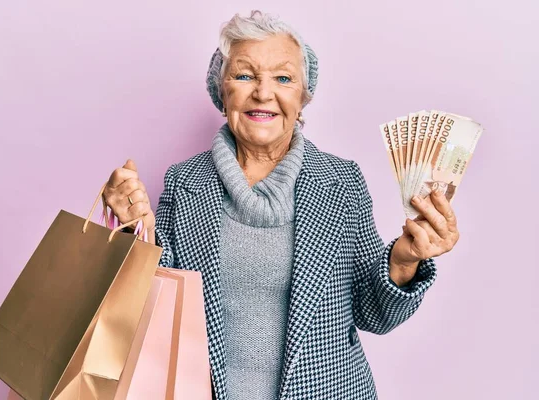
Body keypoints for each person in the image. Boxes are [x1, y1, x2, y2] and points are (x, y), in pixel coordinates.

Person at [103, 10, 460, 400]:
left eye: (283, 78)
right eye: (244, 75)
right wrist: (135, 228)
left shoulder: (342, 183)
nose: (262, 92)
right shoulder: (184, 182)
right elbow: (157, 308)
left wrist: (403, 261)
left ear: (302, 98)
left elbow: (372, 313)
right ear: (221, 92)